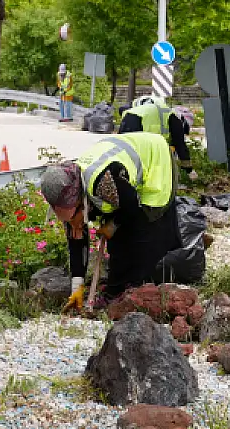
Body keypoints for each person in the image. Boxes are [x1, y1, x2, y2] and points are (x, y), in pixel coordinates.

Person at [40, 132, 194, 309]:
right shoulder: (69, 191)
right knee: (117, 241)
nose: (73, 223)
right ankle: (118, 289)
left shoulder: (103, 182)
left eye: (73, 217)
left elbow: (132, 208)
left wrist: (113, 224)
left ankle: (137, 289)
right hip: (121, 177)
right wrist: (77, 287)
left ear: (80, 201)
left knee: (145, 228)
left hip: (154, 158)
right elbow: (76, 241)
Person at [118, 101, 198, 180]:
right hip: (138, 123)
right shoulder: (174, 118)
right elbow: (180, 145)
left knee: (124, 153)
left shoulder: (164, 114)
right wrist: (190, 170)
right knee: (138, 159)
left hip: (128, 117)